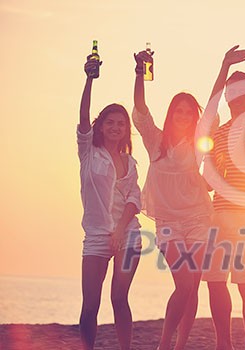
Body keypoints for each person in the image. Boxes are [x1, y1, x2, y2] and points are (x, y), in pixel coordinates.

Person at [132, 50, 214, 350]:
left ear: (195, 116)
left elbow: (214, 101)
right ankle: (165, 343)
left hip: (198, 218)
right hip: (168, 222)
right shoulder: (154, 139)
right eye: (178, 111)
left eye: (189, 112)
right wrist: (139, 72)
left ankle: (180, 344)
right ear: (171, 114)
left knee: (192, 287)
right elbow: (140, 108)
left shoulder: (197, 143)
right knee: (184, 284)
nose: (183, 116)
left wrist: (223, 66)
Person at [200, 45, 245, 350]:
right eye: (231, 96)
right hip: (219, 215)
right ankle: (223, 344)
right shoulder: (219, 133)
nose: (234, 101)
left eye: (240, 96)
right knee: (216, 282)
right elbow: (210, 179)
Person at [77, 56, 142, 350]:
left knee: (119, 298)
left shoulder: (130, 162)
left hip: (129, 235)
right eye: (110, 122)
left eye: (121, 124)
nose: (116, 127)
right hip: (96, 235)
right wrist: (90, 79)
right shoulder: (88, 152)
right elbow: (83, 116)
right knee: (91, 304)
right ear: (100, 126)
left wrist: (120, 231)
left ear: (126, 130)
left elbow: (133, 199)